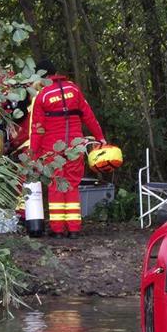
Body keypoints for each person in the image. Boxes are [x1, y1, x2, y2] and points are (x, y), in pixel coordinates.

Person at [28, 59, 106, 238]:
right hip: (75, 146)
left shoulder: (43, 95)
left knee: (56, 184)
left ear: (43, 76)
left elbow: (37, 129)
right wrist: (100, 137)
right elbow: (89, 117)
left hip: (52, 148)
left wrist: (33, 155)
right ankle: (74, 229)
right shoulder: (73, 89)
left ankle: (57, 229)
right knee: (72, 184)